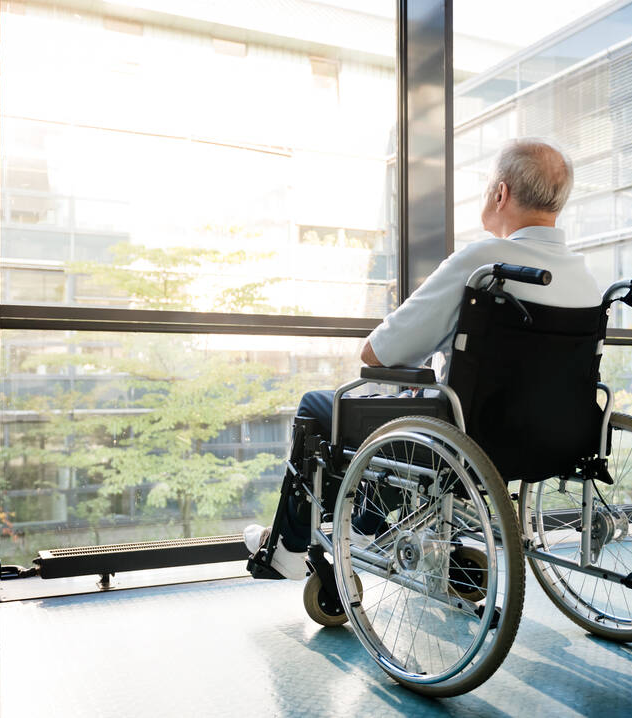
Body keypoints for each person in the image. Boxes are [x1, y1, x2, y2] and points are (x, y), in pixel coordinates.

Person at [244, 137, 602, 579]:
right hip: (560, 439)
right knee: (415, 407)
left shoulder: (485, 264)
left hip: (467, 438)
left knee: (322, 407)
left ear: (501, 193)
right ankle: (365, 526)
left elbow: (378, 352)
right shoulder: (586, 276)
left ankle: (288, 548)